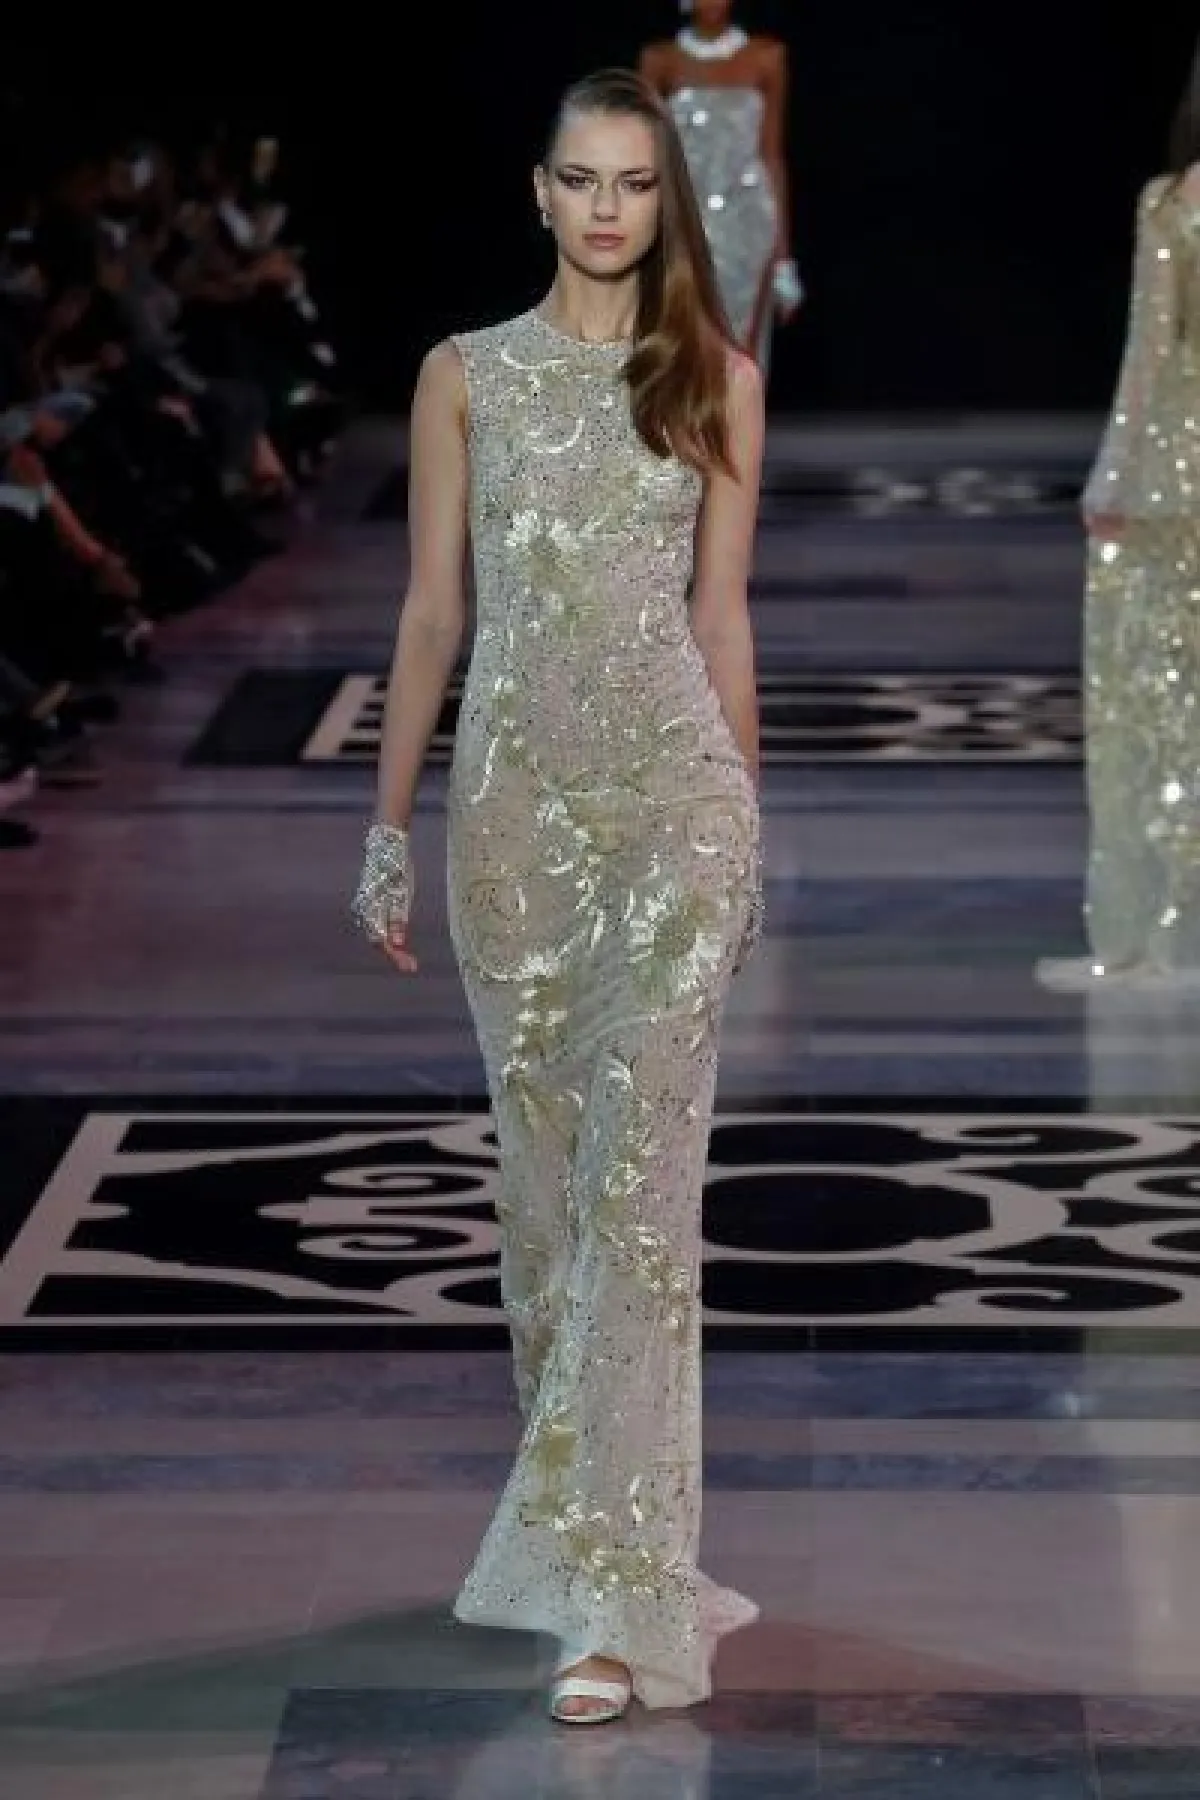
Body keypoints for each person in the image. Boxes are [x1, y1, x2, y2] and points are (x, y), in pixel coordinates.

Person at [352, 67, 765, 1723]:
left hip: (676, 822)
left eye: (634, 184)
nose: (606, 209)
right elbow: (431, 616)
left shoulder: (715, 377)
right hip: (513, 834)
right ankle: (589, 1546)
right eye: (581, 180)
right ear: (538, 192)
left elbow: (724, 618)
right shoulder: (464, 377)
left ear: (666, 203)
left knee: (642, 1215)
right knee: (546, 1215)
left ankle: (616, 1599)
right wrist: (387, 827)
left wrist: (750, 828)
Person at [1038, 35, 1200, 991]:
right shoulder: (1170, 202)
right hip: (1172, 476)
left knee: (1159, 696)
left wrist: (1113, 475)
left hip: (1173, 471)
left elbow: (1151, 351)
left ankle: (1158, 933)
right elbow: (1149, 350)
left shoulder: (1175, 201)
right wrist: (1113, 476)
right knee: (1156, 694)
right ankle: (1158, 929)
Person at [638, 0, 801, 367]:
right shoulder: (660, 60)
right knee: (683, 343)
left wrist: (784, 258)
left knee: (740, 348)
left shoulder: (767, 57)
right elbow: (648, 158)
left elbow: (772, 156)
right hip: (684, 221)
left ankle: (741, 406)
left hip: (748, 222)